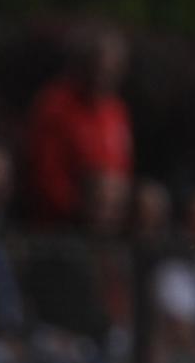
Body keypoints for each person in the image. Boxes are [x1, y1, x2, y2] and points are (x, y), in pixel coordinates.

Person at [20, 27, 131, 231]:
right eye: (99, 65)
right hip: (64, 226)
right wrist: (79, 209)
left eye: (113, 67)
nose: (106, 72)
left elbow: (122, 165)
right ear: (84, 64)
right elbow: (45, 172)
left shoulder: (116, 110)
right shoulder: (55, 105)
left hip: (111, 226)